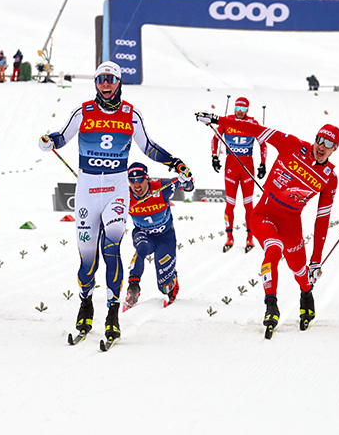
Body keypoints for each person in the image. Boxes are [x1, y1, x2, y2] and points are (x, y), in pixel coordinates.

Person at [39, 61, 191, 344]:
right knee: (87, 259)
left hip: (116, 191)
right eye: (100, 80)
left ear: (119, 82)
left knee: (112, 249)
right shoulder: (83, 111)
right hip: (87, 190)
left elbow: (148, 147)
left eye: (110, 79)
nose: (105, 84)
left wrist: (174, 162)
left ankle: (112, 312)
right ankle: (85, 304)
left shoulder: (131, 114)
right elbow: (62, 136)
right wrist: (50, 140)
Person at [196, 111, 339, 333]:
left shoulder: (329, 178)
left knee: (300, 271)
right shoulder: (292, 145)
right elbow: (256, 130)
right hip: (264, 214)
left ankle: (306, 294)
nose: (321, 146)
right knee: (273, 250)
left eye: (328, 143)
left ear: (335, 149)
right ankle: (271, 304)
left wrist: (316, 260)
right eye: (319, 139)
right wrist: (217, 120)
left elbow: (323, 218)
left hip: (291, 221)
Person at [124, 162, 194, 309]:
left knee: (164, 287)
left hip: (165, 237)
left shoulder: (162, 187)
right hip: (143, 233)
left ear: (147, 178)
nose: (136, 185)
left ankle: (171, 280)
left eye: (140, 180)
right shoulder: (124, 194)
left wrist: (186, 178)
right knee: (142, 248)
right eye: (132, 180)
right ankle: (133, 287)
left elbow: (189, 187)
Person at [210, 96, 267, 253]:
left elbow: (263, 143)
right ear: (234, 108)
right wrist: (214, 157)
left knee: (248, 205)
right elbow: (215, 139)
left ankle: (250, 238)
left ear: (247, 110)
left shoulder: (252, 124)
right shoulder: (227, 121)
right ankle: (229, 237)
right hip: (231, 167)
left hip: (247, 167)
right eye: (237, 108)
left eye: (243, 109)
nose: (239, 112)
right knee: (230, 204)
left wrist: (263, 164)